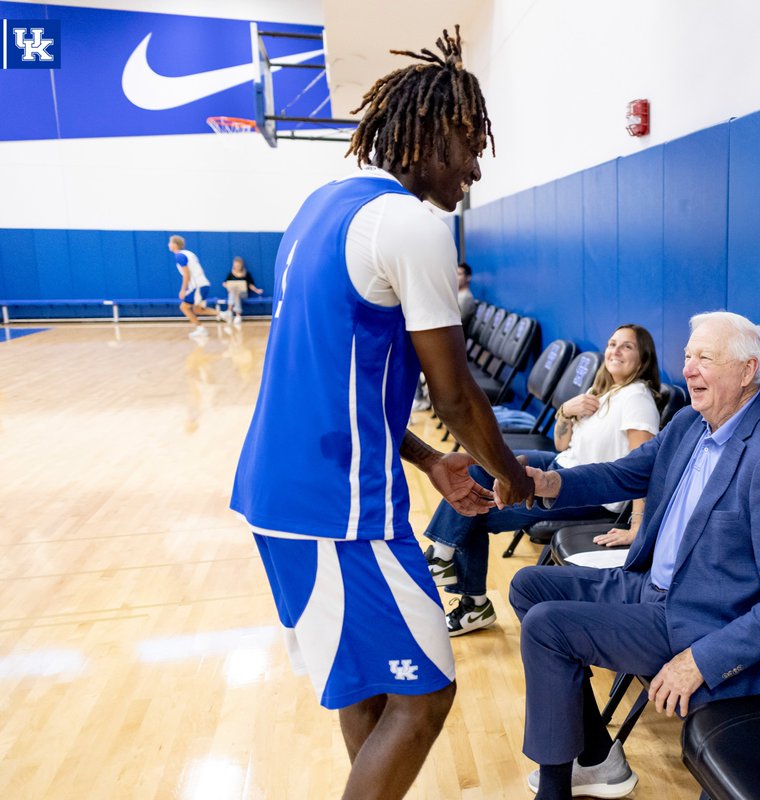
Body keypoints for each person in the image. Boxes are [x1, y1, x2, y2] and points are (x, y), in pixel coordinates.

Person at [230, 27, 533, 800]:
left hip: (281, 494)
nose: (472, 169)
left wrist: (432, 462)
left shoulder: (318, 211)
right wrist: (512, 481)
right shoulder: (411, 225)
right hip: (342, 512)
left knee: (369, 688)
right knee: (427, 695)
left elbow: (337, 390)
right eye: (469, 145)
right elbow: (458, 395)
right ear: (430, 133)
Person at [510, 311, 760, 800]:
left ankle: (556, 790)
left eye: (705, 358)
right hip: (646, 587)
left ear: (746, 372)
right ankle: (596, 755)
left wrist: (700, 660)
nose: (688, 370)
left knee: (547, 627)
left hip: (694, 621)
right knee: (528, 587)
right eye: (687, 357)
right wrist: (550, 483)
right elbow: (620, 474)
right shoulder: (689, 423)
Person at [424, 323, 663, 636]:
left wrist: (637, 527)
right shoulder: (599, 391)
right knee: (480, 466)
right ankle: (445, 557)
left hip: (586, 492)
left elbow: (644, 470)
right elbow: (562, 444)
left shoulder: (637, 399)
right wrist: (565, 411)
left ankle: (470, 599)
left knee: (476, 510)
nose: (615, 351)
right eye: (612, 343)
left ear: (643, 359)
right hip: (558, 464)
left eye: (627, 346)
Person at [168, 235, 229, 338]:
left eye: (170, 242)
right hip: (202, 284)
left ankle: (201, 328)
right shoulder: (189, 253)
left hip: (198, 286)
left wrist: (183, 290)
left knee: (184, 307)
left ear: (174, 245)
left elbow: (187, 274)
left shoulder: (179, 256)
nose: (168, 245)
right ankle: (222, 314)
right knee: (198, 309)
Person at [222, 256, 263, 325]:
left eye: (238, 265)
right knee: (233, 292)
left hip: (244, 294)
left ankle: (234, 313)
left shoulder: (246, 274)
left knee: (236, 293)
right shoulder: (230, 274)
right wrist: (228, 287)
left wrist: (257, 290)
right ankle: (231, 313)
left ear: (241, 265)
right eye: (235, 264)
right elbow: (224, 283)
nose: (236, 266)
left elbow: (250, 285)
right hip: (233, 293)